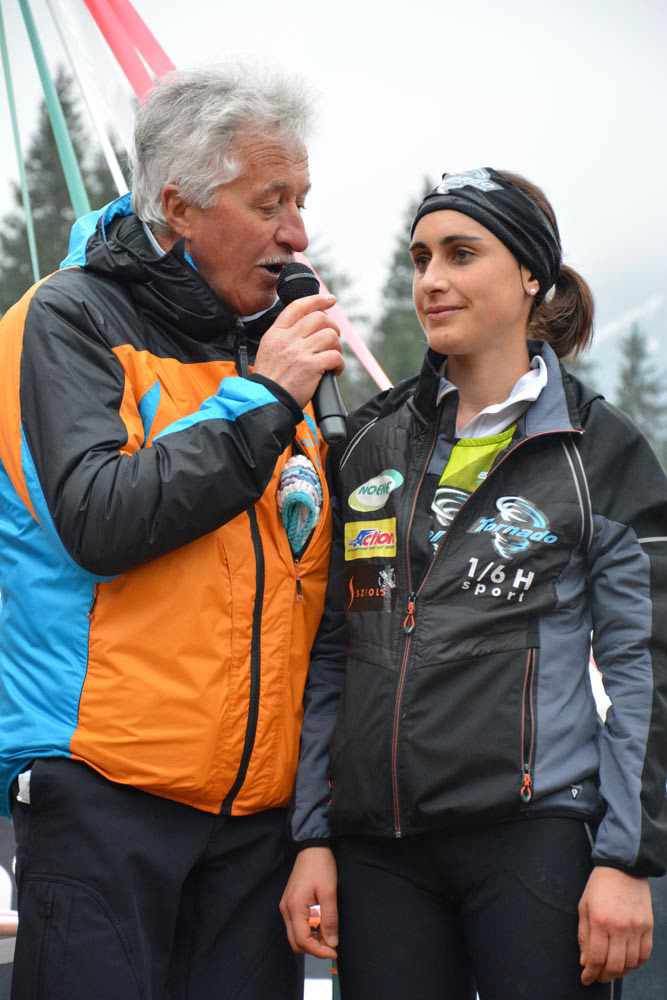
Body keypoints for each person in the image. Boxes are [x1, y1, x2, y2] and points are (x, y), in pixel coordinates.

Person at [0, 64, 343, 999]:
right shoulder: (65, 317)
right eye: (269, 202)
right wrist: (264, 400)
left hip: (257, 819)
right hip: (106, 794)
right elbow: (100, 516)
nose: (296, 234)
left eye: (302, 200)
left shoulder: (272, 346)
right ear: (179, 205)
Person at [281, 167, 667, 999]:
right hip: (377, 849)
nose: (431, 280)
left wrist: (626, 858)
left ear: (530, 274)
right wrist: (311, 834)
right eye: (420, 258)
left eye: (460, 254)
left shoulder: (600, 451)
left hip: (533, 838)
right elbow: (331, 653)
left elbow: (645, 669)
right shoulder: (369, 442)